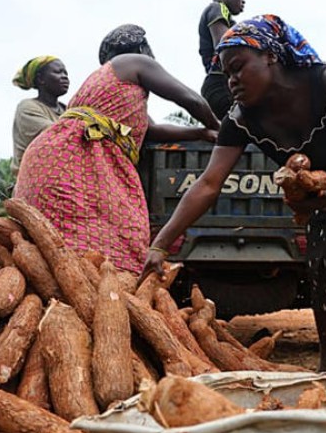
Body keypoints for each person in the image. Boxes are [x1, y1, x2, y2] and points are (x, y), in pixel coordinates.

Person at [142, 14, 326, 372]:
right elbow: (208, 184)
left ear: (270, 56)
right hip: (320, 183)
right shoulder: (240, 119)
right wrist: (160, 244)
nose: (232, 80)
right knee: (318, 266)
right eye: (227, 74)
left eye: (238, 67)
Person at [14, 24, 219, 275]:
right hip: (73, 162)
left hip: (50, 159)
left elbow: (151, 130)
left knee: (62, 251)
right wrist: (222, 129)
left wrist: (200, 133)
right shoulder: (135, 61)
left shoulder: (109, 84)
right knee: (114, 242)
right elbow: (190, 99)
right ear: (143, 48)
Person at [11, 56, 70, 178]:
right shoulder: (27, 107)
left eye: (66, 73)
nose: (64, 77)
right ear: (40, 79)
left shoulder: (68, 110)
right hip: (35, 178)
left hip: (64, 175)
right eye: (58, 72)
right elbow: (57, 135)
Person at [198, 0, 246, 119]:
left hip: (217, 85)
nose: (243, 1)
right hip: (221, 83)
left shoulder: (227, 19)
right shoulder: (218, 8)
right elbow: (225, 46)